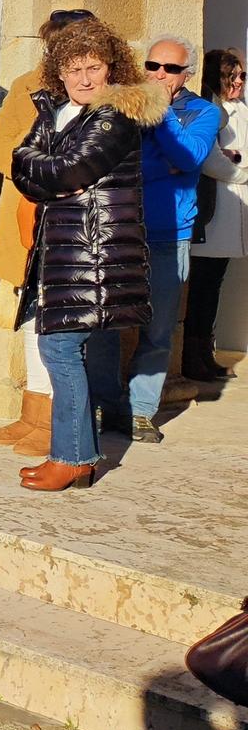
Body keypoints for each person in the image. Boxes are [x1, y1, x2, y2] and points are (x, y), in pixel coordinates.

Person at [10, 18, 166, 490]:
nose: (83, 79)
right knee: (61, 347)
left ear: (110, 68)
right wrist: (41, 172)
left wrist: (41, 172)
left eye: (93, 67)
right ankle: (73, 455)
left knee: (60, 347)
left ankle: (74, 458)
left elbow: (68, 171)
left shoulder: (112, 115)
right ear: (59, 73)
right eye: (73, 69)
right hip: (65, 250)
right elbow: (21, 160)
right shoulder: (58, 111)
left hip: (92, 252)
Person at [0, 9, 99, 456]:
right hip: (25, 216)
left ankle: (56, 423)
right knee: (30, 318)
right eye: (55, 43)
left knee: (61, 327)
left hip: (72, 225)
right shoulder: (27, 84)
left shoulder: (101, 93)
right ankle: (33, 414)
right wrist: (37, 168)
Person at [112, 35, 222, 443]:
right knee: (106, 323)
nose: (159, 75)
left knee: (158, 329)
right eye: (153, 66)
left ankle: (141, 411)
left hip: (168, 234)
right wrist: (163, 167)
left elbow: (189, 157)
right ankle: (103, 403)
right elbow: (116, 163)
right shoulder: (124, 103)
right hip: (120, 228)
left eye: (171, 68)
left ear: (186, 75)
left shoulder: (203, 112)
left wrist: (161, 115)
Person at [187, 47, 247, 383]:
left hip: (232, 210)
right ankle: (192, 356)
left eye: (242, 76)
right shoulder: (210, 108)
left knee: (213, 284)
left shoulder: (239, 109)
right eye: (231, 76)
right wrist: (241, 172)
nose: (238, 82)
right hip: (213, 211)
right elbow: (210, 160)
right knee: (201, 286)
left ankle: (204, 354)